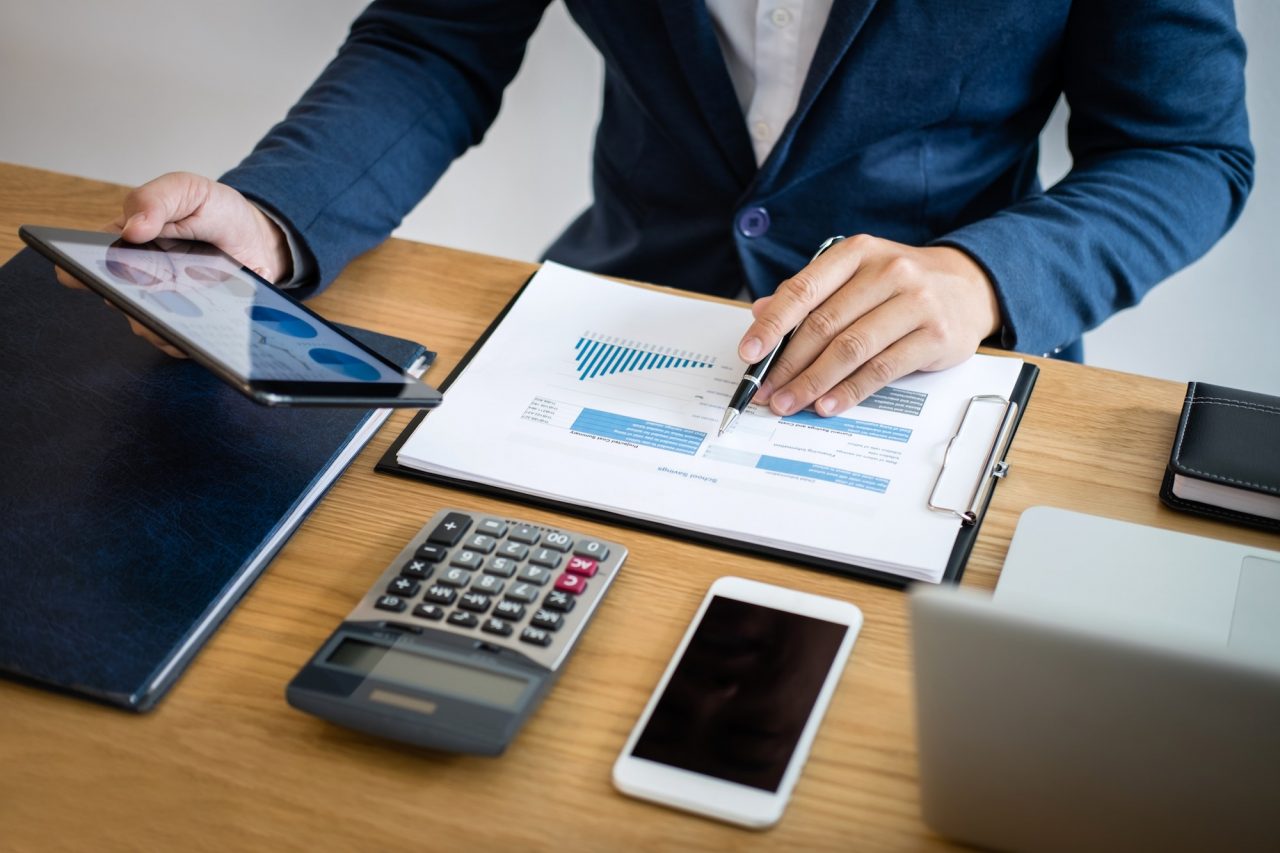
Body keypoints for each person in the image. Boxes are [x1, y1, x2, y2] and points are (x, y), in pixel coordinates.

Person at [60, 1, 1254, 416]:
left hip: (941, 366)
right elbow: (437, 40)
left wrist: (984, 278)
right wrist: (275, 217)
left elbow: (1184, 149)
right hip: (608, 316)